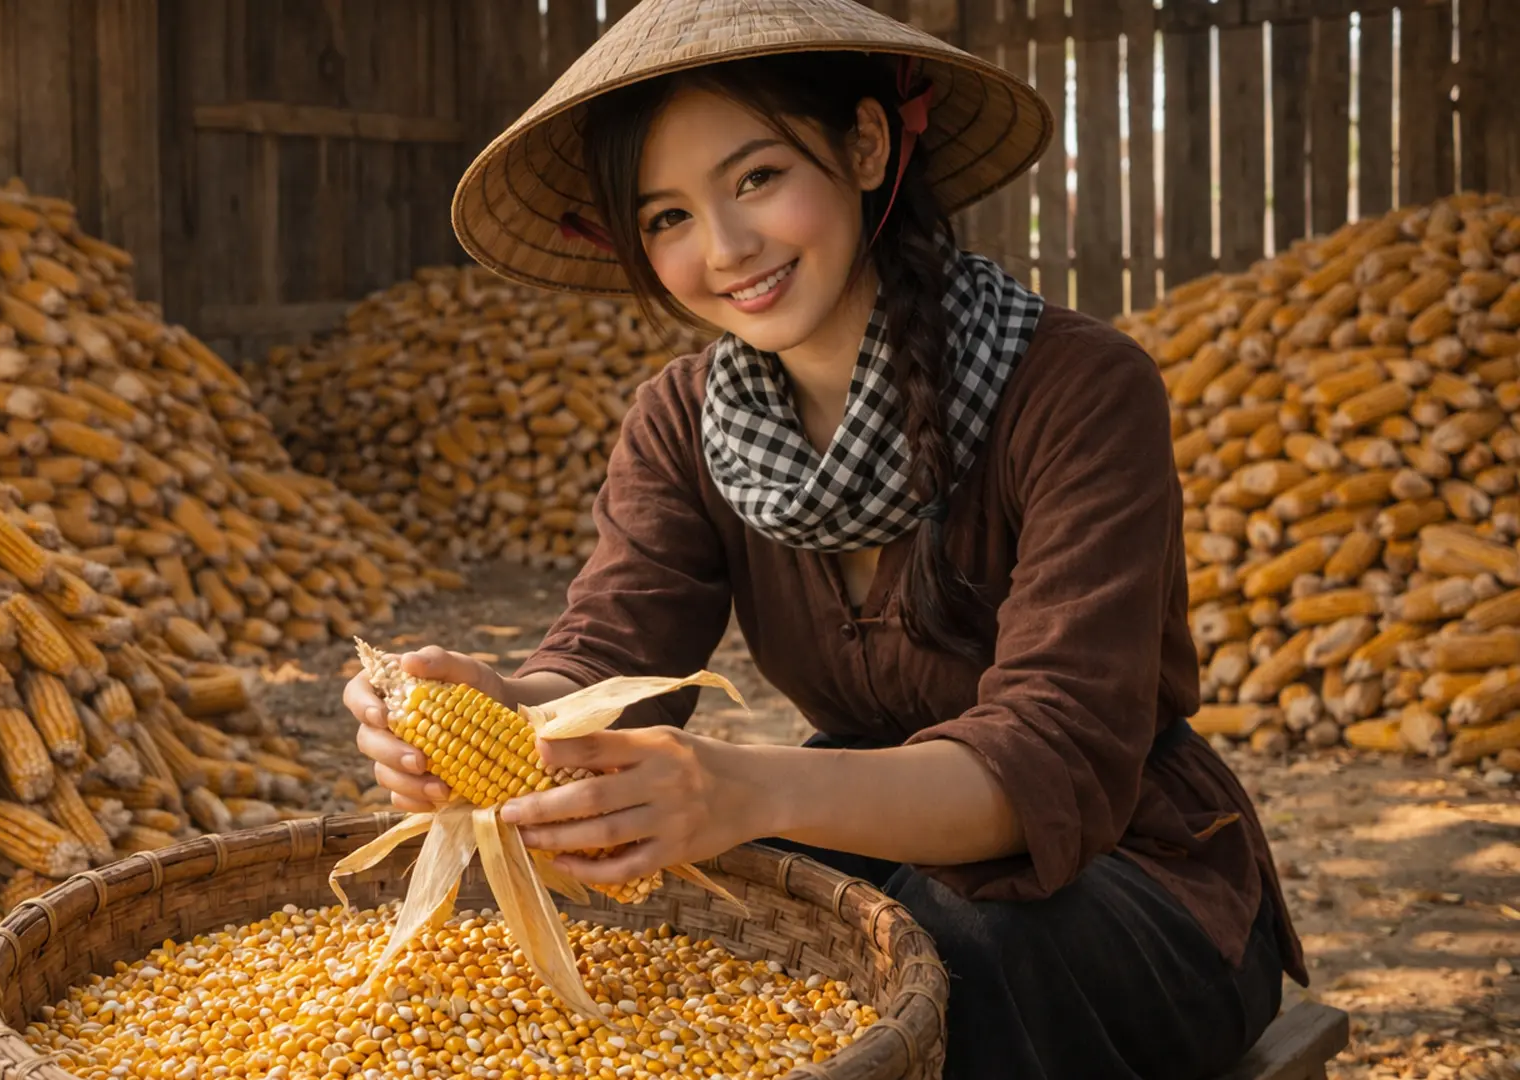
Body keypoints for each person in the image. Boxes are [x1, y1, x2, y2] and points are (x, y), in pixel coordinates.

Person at [343, 0, 1306, 1075]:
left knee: (969, 947)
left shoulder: (1077, 389)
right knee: (645, 903)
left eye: (756, 179)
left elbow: (1055, 752)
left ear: (864, 144)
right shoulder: (680, 420)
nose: (726, 249)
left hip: (1130, 878)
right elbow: (615, 658)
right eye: (666, 217)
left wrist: (744, 788)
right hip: (869, 833)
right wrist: (496, 711)